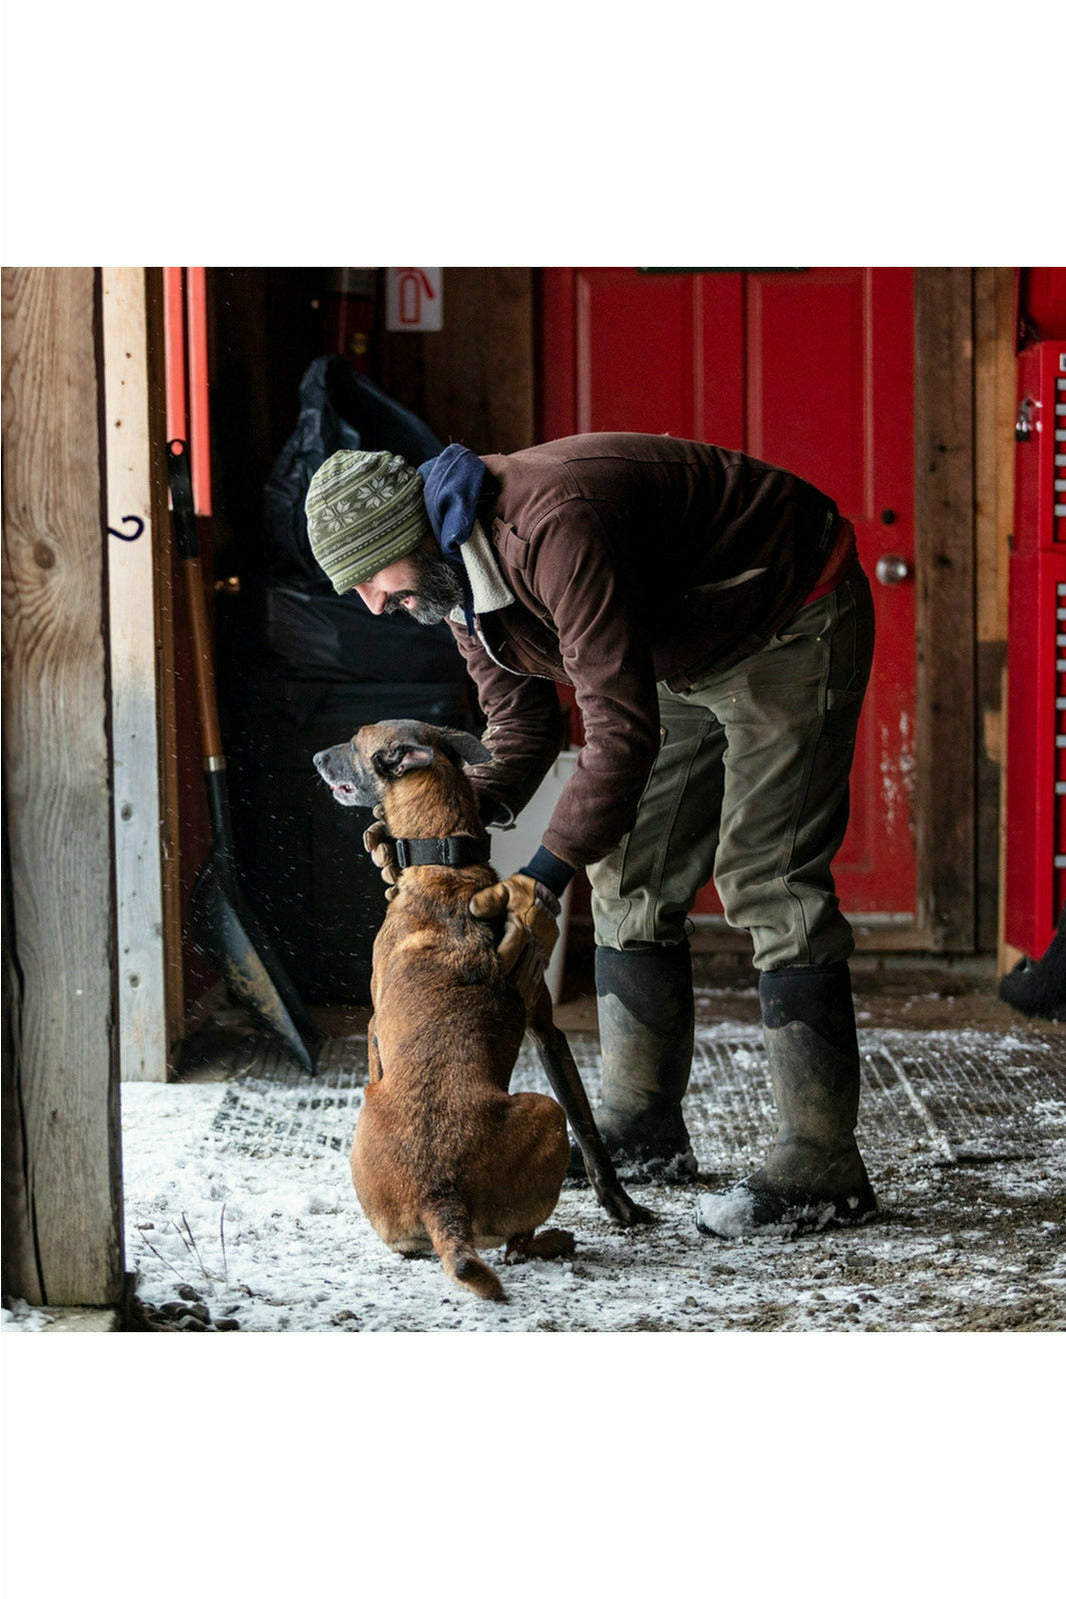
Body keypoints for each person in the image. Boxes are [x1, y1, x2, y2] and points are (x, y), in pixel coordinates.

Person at [304, 433, 877, 1238]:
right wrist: (446, 830)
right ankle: (642, 1128)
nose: (372, 603)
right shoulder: (453, 583)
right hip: (678, 645)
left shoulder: (550, 527)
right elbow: (521, 721)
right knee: (630, 872)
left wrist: (540, 877)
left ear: (409, 534)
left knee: (766, 874)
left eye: (371, 578)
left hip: (787, 610)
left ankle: (823, 1165)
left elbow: (620, 734)